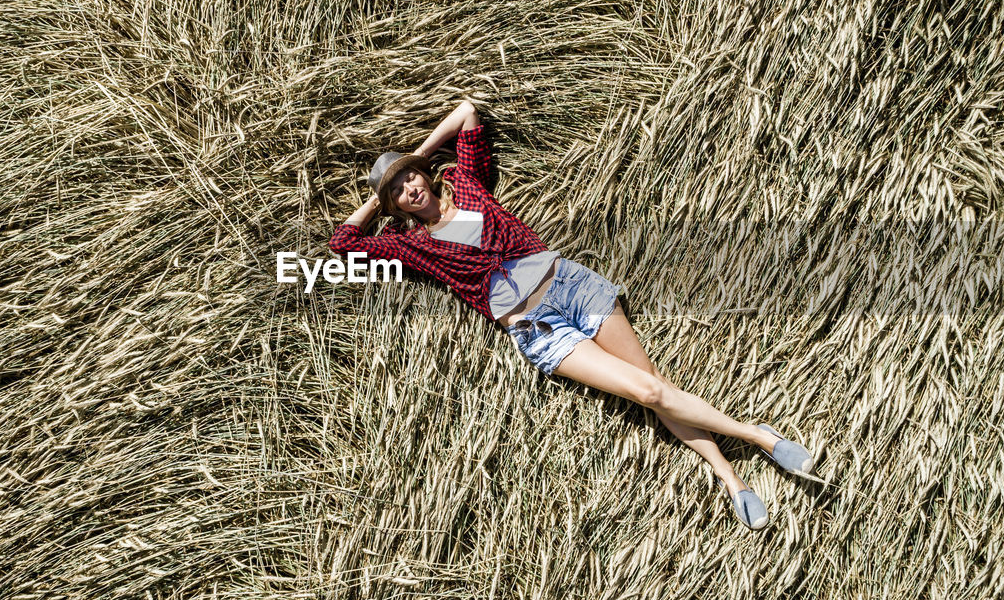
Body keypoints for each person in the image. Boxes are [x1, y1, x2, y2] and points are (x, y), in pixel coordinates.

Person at [328, 100, 818, 530]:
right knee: (647, 391)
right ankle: (757, 441)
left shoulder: (468, 184)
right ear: (395, 207)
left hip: (570, 284)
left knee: (654, 388)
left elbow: (465, 111)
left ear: (425, 174)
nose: (408, 189)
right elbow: (343, 243)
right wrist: (378, 194)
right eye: (397, 192)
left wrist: (415, 156)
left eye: (409, 177)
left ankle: (733, 475)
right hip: (538, 328)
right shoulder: (412, 246)